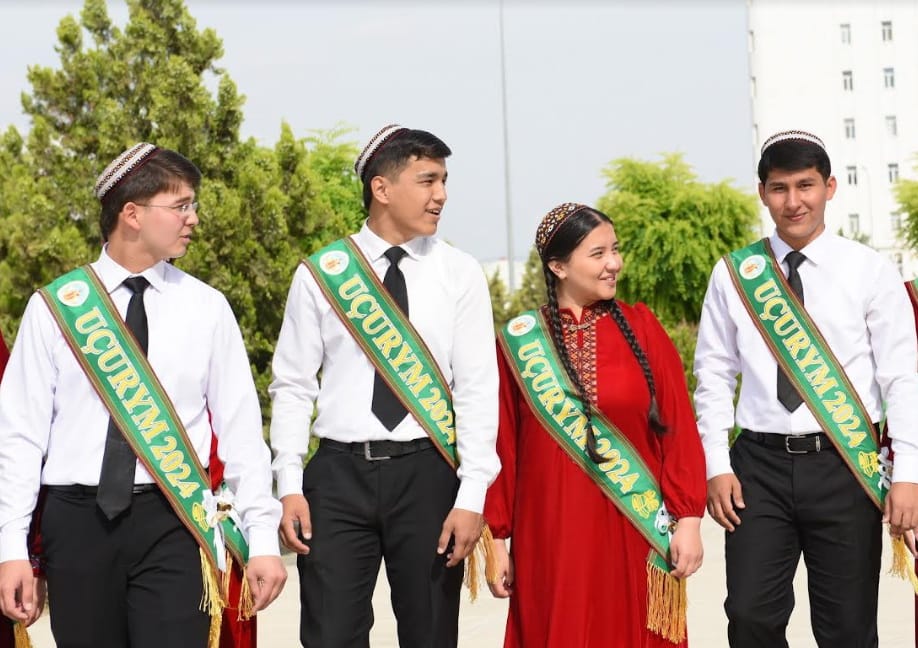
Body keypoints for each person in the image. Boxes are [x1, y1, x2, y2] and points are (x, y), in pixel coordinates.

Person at [0, 143, 286, 648]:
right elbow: (19, 439)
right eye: (180, 206)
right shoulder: (55, 308)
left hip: (174, 521)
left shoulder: (207, 308)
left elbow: (242, 434)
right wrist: (11, 549)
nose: (192, 219)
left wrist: (262, 539)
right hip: (77, 522)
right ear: (131, 214)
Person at [270, 124, 500, 648]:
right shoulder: (324, 273)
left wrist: (471, 493)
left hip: (428, 475)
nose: (440, 195)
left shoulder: (458, 272)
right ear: (381, 187)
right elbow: (292, 385)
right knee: (330, 635)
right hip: (336, 477)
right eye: (427, 180)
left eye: (444, 181)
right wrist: (288, 482)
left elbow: (477, 390)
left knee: (431, 634)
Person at [695, 129, 918, 647]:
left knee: (847, 628)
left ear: (830, 187)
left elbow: (902, 378)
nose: (793, 202)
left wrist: (908, 474)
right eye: (779, 188)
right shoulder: (735, 274)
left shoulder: (870, 271)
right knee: (750, 616)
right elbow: (712, 374)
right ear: (762, 192)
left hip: (844, 463)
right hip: (757, 468)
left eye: (806, 185)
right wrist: (716, 463)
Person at [484, 203, 706, 647]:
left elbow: (678, 429)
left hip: (635, 530)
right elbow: (502, 445)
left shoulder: (643, 328)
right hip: (550, 535)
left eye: (615, 250)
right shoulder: (520, 343)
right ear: (558, 266)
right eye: (598, 253)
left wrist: (688, 520)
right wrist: (495, 542)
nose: (614, 264)